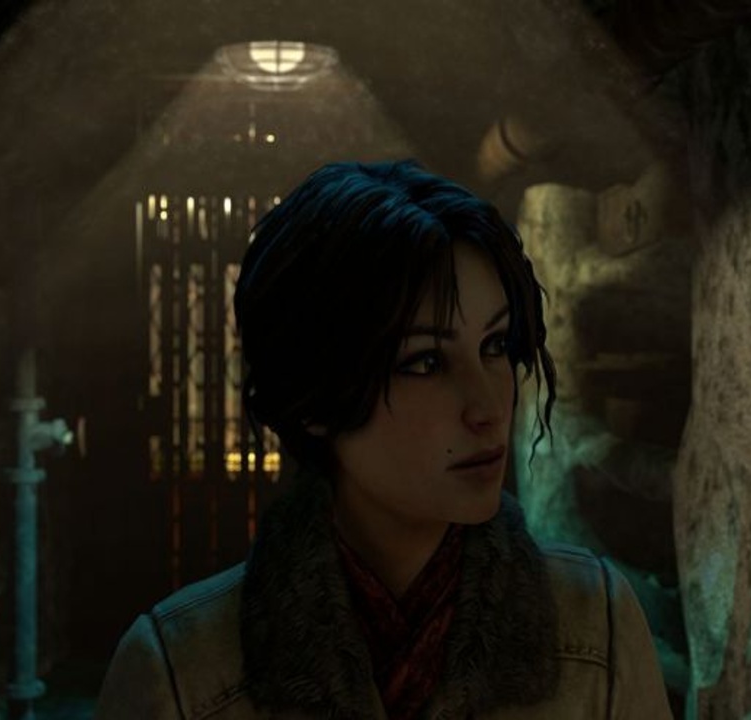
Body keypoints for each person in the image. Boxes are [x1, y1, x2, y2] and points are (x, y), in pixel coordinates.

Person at [94, 160, 673, 719]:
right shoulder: (181, 673)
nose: (488, 407)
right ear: (315, 396)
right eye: (425, 362)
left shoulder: (596, 625)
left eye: (494, 346)